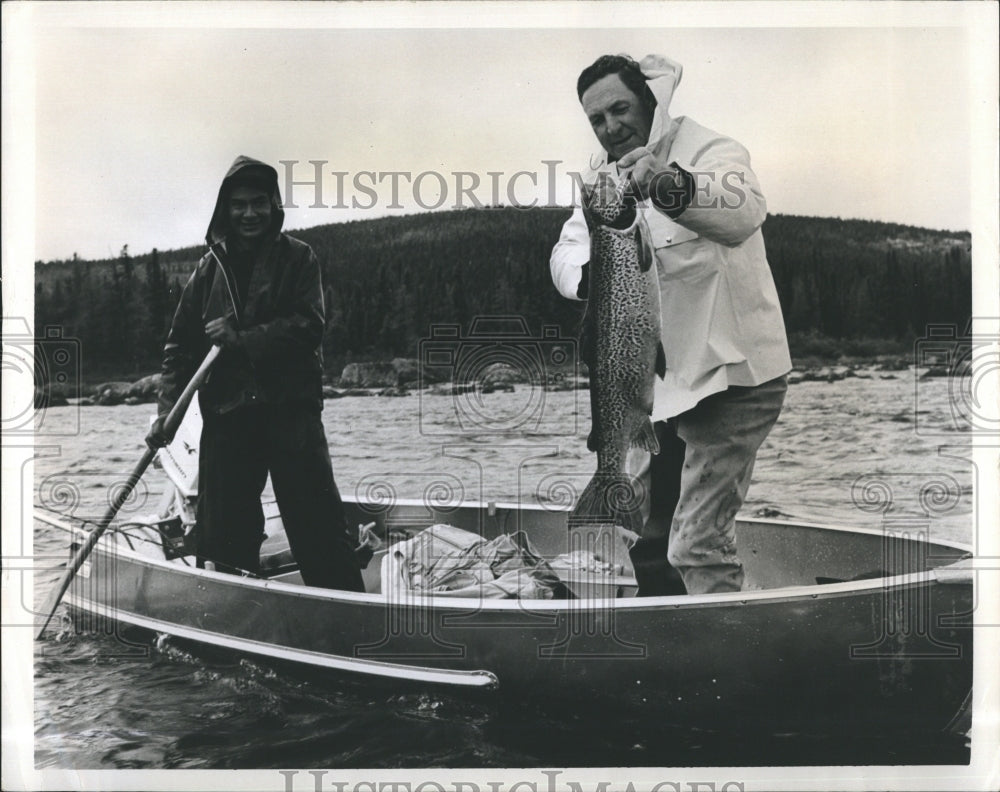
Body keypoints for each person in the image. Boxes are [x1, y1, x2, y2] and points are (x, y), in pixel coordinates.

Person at [551, 55, 791, 596]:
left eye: (620, 109)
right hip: (656, 387)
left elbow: (743, 211)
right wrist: (591, 275)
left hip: (734, 378)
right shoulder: (600, 177)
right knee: (645, 531)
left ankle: (727, 664)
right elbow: (566, 248)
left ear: (648, 100)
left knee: (697, 542)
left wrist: (669, 186)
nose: (611, 127)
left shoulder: (710, 149)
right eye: (597, 120)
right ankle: (670, 639)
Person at [146, 155, 365, 592]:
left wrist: (241, 337)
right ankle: (233, 624)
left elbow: (309, 327)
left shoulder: (299, 259)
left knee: (318, 526)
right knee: (225, 536)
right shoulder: (207, 271)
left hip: (291, 414)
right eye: (239, 205)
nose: (249, 214)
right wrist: (167, 414)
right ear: (225, 209)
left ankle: (347, 617)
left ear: (273, 206)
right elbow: (178, 350)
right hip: (229, 418)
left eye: (259, 204)